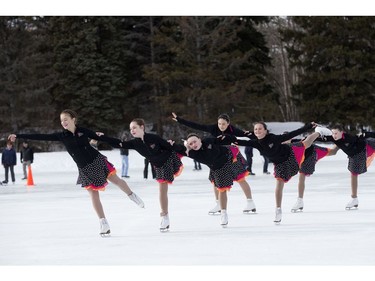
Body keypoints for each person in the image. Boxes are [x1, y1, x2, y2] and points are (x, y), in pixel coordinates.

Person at [8, 109, 144, 236]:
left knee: (116, 180)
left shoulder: (83, 131)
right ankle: (103, 223)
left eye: (66, 119)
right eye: (61, 121)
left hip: (96, 161)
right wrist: (18, 135)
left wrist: (121, 143)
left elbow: (103, 138)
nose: (63, 122)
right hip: (84, 168)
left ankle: (131, 195)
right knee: (93, 194)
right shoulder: (61, 136)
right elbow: (40, 136)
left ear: (73, 119)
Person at [102, 118, 183, 232]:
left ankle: (164, 217)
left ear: (142, 127)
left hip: (168, 160)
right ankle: (165, 217)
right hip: (158, 165)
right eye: (130, 129)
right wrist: (102, 137)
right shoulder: (135, 143)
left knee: (162, 189)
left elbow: (169, 146)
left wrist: (185, 148)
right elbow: (120, 143)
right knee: (162, 190)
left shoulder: (153, 138)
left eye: (134, 127)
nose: (132, 130)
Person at [234, 121, 323, 223]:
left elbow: (293, 133)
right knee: (279, 184)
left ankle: (318, 132)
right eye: (255, 129)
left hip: (290, 153)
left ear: (265, 131)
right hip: (279, 164)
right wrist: (227, 139)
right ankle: (278, 210)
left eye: (260, 129)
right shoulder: (256, 143)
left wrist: (309, 126)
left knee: (306, 143)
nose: (257, 131)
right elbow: (240, 142)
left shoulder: (273, 138)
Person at [171, 112, 256, 215]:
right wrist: (180, 120)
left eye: (224, 124)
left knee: (240, 179)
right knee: (215, 181)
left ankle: (250, 202)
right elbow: (197, 126)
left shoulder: (233, 130)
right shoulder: (213, 129)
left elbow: (247, 134)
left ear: (228, 123)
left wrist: (261, 138)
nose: (221, 126)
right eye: (219, 123)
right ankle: (218, 204)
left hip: (230, 155)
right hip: (214, 157)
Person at [171, 133, 249, 227]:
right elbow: (176, 147)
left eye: (195, 141)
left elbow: (224, 139)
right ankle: (222, 210)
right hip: (217, 167)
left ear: (200, 140)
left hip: (230, 157)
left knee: (239, 179)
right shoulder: (191, 152)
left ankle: (249, 201)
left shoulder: (208, 141)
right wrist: (171, 143)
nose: (193, 145)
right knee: (220, 187)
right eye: (190, 144)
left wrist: (227, 137)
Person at [316, 125, 375, 210]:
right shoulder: (334, 138)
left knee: (354, 173)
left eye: (336, 133)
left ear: (341, 132)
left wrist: (365, 134)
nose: (334, 135)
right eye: (333, 133)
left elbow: (361, 137)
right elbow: (322, 139)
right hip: (356, 153)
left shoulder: (348, 138)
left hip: (365, 147)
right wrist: (315, 135)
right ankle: (354, 199)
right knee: (353, 173)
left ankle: (354, 199)